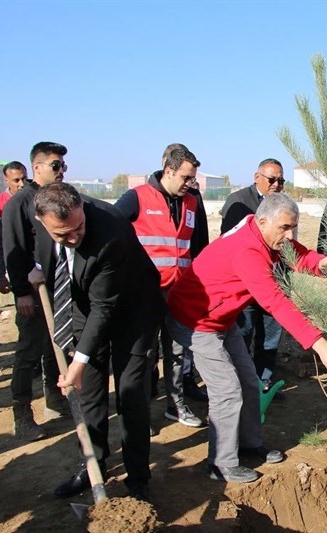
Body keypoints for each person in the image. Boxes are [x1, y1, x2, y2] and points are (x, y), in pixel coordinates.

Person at [166, 193, 327, 483]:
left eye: (293, 227)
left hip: (221, 317)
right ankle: (220, 463)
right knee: (227, 389)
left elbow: (296, 254)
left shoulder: (259, 228)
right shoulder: (248, 252)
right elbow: (275, 302)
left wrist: (321, 263)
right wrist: (321, 344)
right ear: (264, 222)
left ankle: (249, 444)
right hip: (195, 320)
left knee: (249, 381)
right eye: (285, 228)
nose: (290, 235)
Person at [31, 183, 162, 501]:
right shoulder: (42, 217)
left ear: (83, 209)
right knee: (89, 393)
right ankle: (93, 467)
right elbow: (47, 259)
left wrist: (79, 360)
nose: (73, 238)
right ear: (42, 220)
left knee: (130, 394)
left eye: (78, 228)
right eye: (62, 234)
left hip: (133, 311)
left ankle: (138, 477)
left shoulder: (110, 230)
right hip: (83, 305)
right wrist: (36, 270)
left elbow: (105, 307)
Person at [116, 145, 209, 428]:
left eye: (192, 178)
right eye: (185, 178)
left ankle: (175, 405)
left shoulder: (193, 201)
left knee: (178, 351)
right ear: (168, 171)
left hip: (180, 293)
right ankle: (140, 413)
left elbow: (200, 245)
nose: (189, 184)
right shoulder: (136, 198)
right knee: (144, 355)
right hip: (145, 294)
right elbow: (114, 233)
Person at [2, 142, 70, 440]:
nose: (61, 171)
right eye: (56, 165)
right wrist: (22, 292)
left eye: (63, 166)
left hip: (58, 289)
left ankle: (55, 401)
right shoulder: (21, 202)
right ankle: (22, 416)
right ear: (38, 167)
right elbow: (14, 251)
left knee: (55, 347)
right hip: (34, 292)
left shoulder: (54, 198)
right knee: (29, 351)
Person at [220, 159, 287, 396]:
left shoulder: (283, 204)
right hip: (246, 285)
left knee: (270, 337)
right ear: (256, 176)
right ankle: (240, 383)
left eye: (281, 180)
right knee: (243, 334)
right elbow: (228, 242)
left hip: (276, 281)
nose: (277, 184)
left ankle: (264, 381)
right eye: (272, 179)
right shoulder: (238, 202)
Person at [0, 161, 28, 294]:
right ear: (6, 180)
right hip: (17, 266)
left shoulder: (35, 197)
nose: (21, 184)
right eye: (16, 180)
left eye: (24, 179)